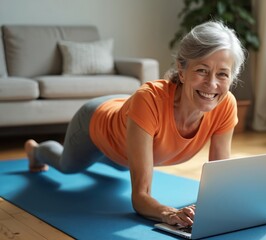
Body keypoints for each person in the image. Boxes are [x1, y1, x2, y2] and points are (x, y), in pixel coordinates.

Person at [24, 21, 247, 227]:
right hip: (95, 121)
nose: (212, 84)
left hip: (127, 123)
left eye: (223, 74)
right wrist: (168, 213)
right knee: (68, 166)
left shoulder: (225, 104)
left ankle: (104, 158)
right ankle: (35, 151)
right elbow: (140, 198)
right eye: (202, 70)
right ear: (182, 69)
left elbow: (219, 181)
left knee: (121, 167)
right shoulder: (149, 100)